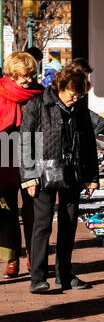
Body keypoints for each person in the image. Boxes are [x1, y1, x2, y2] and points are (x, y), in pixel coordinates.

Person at [19, 65, 99, 293]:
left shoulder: (80, 108)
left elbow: (89, 143)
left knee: (69, 225)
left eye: (80, 95)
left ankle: (64, 275)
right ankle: (38, 277)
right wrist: (28, 177)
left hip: (72, 172)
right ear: (61, 87)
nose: (76, 99)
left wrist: (92, 176)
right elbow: (25, 143)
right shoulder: (37, 104)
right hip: (43, 172)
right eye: (73, 94)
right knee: (41, 225)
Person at [0, 51, 40, 276]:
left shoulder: (40, 94)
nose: (28, 80)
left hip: (33, 149)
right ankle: (12, 256)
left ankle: (34, 256)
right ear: (12, 74)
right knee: (6, 209)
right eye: (24, 76)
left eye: (31, 75)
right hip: (4, 149)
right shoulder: (0, 90)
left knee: (33, 207)